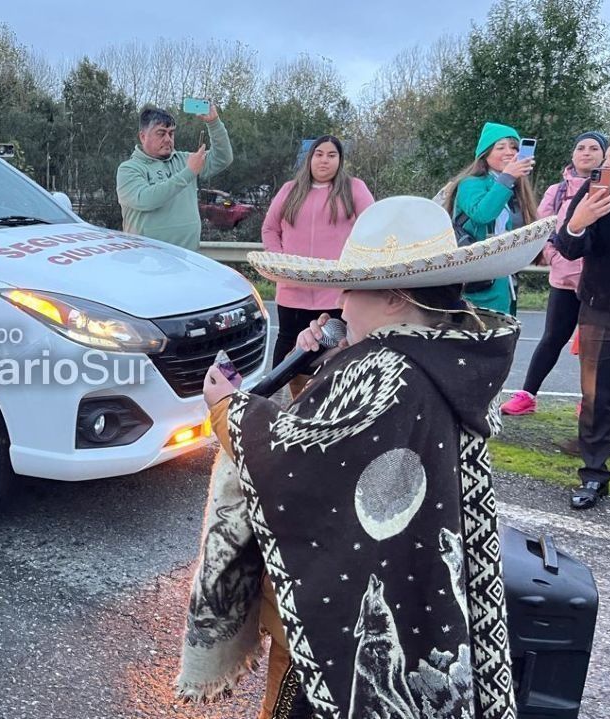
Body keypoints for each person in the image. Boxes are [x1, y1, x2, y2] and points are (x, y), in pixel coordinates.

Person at [177, 196, 554, 718]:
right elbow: (346, 439)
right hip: (406, 578)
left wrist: (227, 410)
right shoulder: (442, 352)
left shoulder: (388, 370)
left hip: (349, 602)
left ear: (395, 297)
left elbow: (301, 463)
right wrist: (326, 362)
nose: (341, 304)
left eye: (351, 289)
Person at [260, 134, 374, 396]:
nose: (324, 160)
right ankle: (276, 407)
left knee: (331, 356)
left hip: (334, 294)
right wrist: (281, 262)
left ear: (340, 160)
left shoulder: (354, 188)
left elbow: (372, 225)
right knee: (287, 354)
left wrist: (355, 264)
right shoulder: (290, 189)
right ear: (309, 158)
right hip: (292, 291)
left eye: (331, 155)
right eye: (319, 154)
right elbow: (269, 228)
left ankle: (326, 408)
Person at [503, 131, 607, 416]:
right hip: (563, 278)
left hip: (600, 285)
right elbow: (542, 229)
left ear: (604, 155)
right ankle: (526, 395)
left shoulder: (609, 189)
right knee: (552, 338)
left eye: (594, 148)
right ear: (573, 155)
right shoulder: (556, 191)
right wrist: (552, 256)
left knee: (593, 346)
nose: (586, 152)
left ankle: (590, 401)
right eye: (580, 147)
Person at [555, 162, 610, 510]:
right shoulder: (600, 189)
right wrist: (580, 221)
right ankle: (594, 474)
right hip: (602, 307)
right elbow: (568, 244)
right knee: (596, 398)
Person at [442, 122, 538, 314]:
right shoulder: (470, 183)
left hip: (506, 280)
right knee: (477, 338)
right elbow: (482, 215)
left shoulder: (516, 189)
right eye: (500, 147)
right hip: (476, 278)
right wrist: (507, 178)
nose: (509, 152)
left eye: (514, 147)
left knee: (504, 338)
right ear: (485, 154)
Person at [116, 104, 234, 251]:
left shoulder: (184, 159)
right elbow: (146, 200)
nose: (167, 139)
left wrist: (214, 123)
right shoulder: (128, 169)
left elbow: (223, 158)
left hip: (187, 258)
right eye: (161, 133)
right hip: (146, 262)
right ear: (143, 136)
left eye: (171, 133)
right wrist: (189, 172)